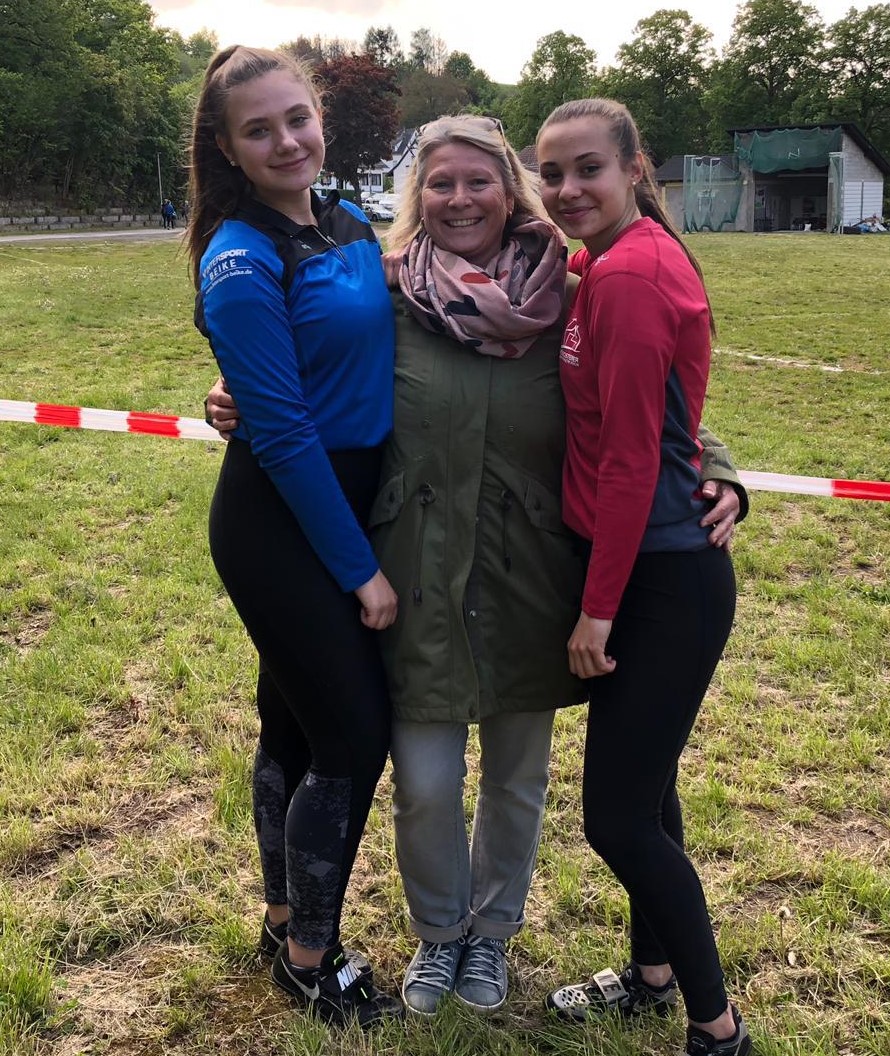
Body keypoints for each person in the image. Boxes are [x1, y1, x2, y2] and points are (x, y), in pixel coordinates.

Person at [205, 113, 747, 1019]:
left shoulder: (566, 291)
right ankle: (440, 931)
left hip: (532, 578)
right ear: (419, 196)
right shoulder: (386, 295)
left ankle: (491, 934)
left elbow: (649, 395)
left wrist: (720, 467)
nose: (460, 200)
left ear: (510, 189)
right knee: (423, 785)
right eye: (441, 184)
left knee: (516, 781)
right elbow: (301, 368)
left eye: (479, 181)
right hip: (413, 575)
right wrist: (231, 397)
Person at [187, 44, 404, 1029]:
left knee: (292, 724)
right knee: (353, 735)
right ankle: (312, 961)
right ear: (227, 149)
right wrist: (359, 571)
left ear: (320, 117)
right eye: (258, 129)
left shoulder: (348, 221)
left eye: (296, 118)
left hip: (351, 497)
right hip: (281, 516)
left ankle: (282, 921)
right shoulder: (238, 256)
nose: (285, 141)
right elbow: (278, 431)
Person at [535, 98, 752, 1055]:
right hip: (651, 565)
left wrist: (598, 610)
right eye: (552, 173)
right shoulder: (603, 262)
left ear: (634, 168)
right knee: (649, 793)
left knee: (618, 819)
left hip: (660, 578)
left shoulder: (627, 275)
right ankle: (653, 976)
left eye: (588, 168)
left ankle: (718, 1029)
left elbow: (632, 462)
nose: (567, 188)